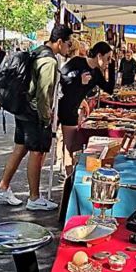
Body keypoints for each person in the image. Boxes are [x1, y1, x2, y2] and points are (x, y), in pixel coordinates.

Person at [0, 25, 73, 210]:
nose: (70, 48)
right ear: (59, 42)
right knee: (37, 152)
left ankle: (3, 187)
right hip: (33, 113)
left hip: (22, 108)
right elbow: (44, 94)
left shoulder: (37, 51)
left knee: (20, 148)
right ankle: (34, 198)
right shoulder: (49, 61)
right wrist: (46, 118)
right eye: (69, 44)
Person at [58, 41, 115, 174]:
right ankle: (67, 175)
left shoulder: (96, 73)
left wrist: (111, 67)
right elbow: (61, 79)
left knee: (70, 146)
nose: (108, 62)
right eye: (107, 59)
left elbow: (110, 89)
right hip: (61, 106)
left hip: (73, 110)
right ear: (99, 56)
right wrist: (78, 79)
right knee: (62, 147)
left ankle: (69, 176)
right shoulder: (77, 62)